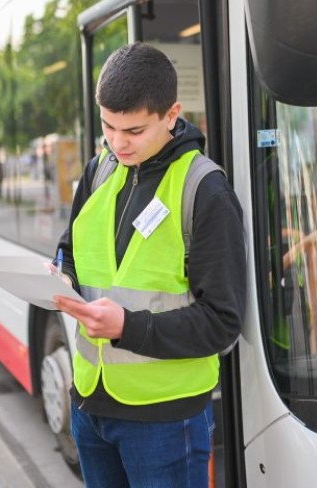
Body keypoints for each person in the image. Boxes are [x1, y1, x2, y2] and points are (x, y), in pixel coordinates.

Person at [50, 42, 246, 488]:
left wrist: (127, 327)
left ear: (171, 114)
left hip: (165, 421)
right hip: (90, 406)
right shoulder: (99, 170)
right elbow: (70, 250)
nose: (118, 142)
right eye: (108, 126)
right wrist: (60, 274)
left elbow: (223, 323)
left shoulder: (206, 190)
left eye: (134, 130)